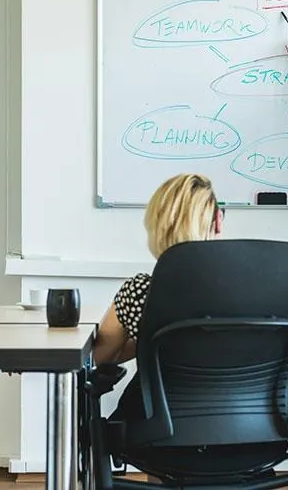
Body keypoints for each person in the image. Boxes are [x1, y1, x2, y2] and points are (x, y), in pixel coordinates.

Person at [92, 173, 224, 418]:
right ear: (218, 221)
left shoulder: (141, 292)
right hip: (252, 434)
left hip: (160, 434)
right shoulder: (258, 291)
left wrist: (147, 340)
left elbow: (99, 357)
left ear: (155, 227)